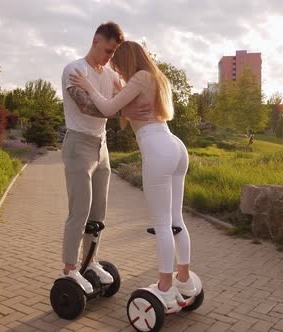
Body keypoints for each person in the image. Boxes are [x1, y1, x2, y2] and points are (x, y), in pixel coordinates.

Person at [70, 40, 196, 308]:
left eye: (118, 64)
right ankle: (183, 278)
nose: (116, 69)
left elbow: (106, 109)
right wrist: (118, 92)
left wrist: (88, 85)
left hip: (157, 147)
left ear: (126, 61)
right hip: (174, 145)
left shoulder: (139, 77)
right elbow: (124, 98)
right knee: (176, 220)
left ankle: (164, 286)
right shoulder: (156, 77)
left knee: (162, 224)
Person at [60, 22, 151, 294]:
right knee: (80, 211)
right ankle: (69, 268)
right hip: (78, 144)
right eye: (108, 50)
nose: (110, 57)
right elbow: (88, 107)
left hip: (102, 147)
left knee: (98, 213)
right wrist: (115, 104)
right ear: (96, 40)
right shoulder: (74, 70)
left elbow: (128, 103)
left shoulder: (110, 74)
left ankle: (90, 261)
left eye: (114, 53)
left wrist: (122, 101)